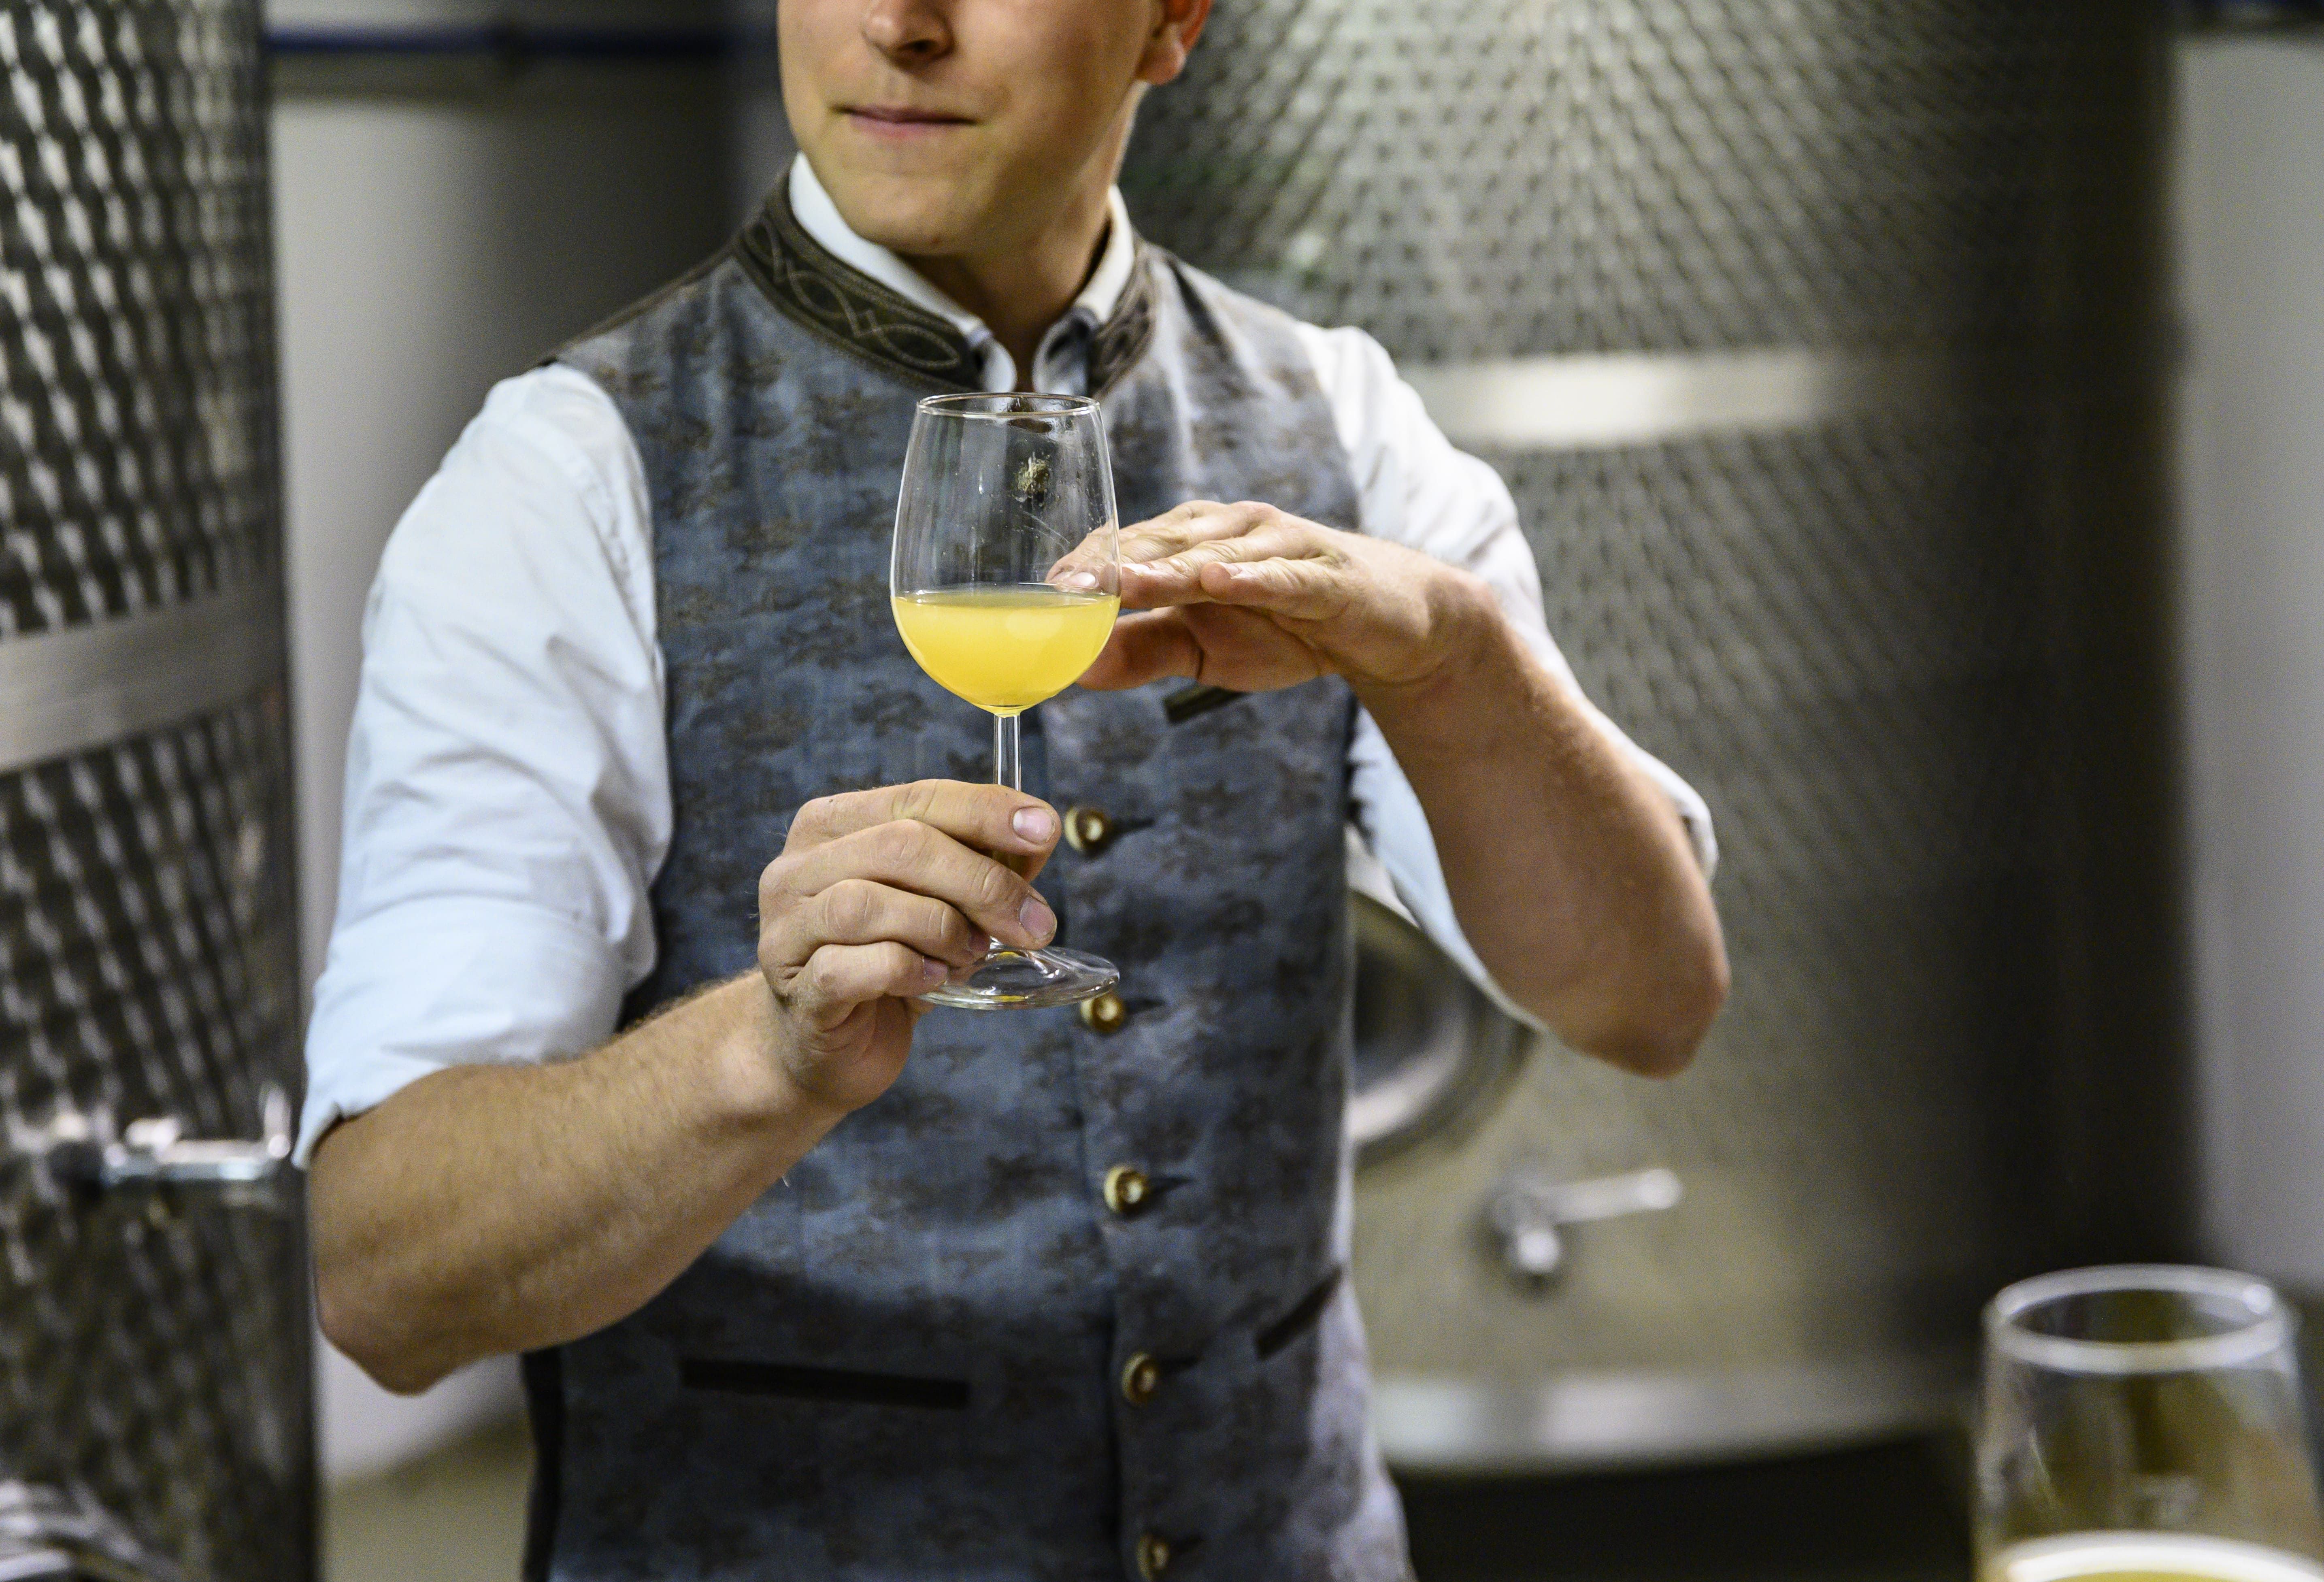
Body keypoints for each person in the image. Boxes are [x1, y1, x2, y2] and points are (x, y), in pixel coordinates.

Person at [301, 1, 1729, 1577]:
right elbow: (384, 1279)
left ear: (1172, 20)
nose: (900, 25)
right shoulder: (568, 478)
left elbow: (1648, 1001)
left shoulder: (1341, 420)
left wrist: (1455, 665)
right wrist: (761, 1055)